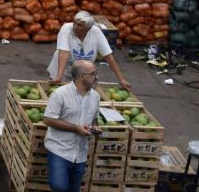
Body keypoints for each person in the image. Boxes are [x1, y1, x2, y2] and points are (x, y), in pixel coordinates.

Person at [43, 60, 101, 192]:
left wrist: (95, 128)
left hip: (80, 153)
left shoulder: (96, 97)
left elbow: (94, 118)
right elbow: (48, 119)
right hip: (60, 149)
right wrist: (76, 128)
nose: (96, 77)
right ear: (81, 76)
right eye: (93, 74)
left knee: (73, 189)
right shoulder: (60, 94)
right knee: (59, 186)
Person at [48, 11, 132, 90]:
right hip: (62, 70)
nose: (75, 27)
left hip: (82, 74)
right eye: (74, 23)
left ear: (88, 28)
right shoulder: (66, 28)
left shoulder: (96, 32)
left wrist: (121, 79)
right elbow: (64, 53)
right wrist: (59, 76)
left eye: (80, 25)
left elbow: (109, 57)